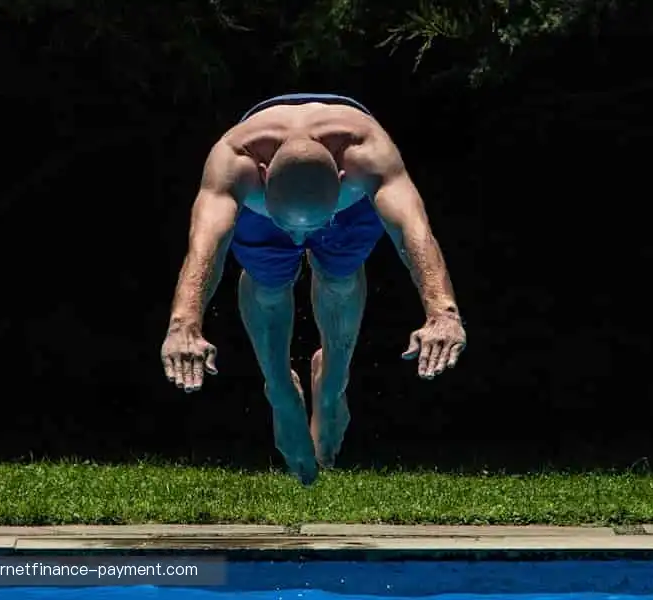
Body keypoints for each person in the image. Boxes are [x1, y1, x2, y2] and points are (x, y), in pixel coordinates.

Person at [160, 93, 467, 484]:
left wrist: (443, 311)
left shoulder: (368, 154)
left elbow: (414, 232)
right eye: (289, 226)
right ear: (264, 174)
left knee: (339, 278)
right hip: (265, 207)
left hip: (339, 207)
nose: (297, 237)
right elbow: (205, 251)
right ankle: (280, 391)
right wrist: (184, 323)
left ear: (342, 179)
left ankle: (333, 383)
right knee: (269, 285)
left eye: (309, 226)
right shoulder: (234, 161)